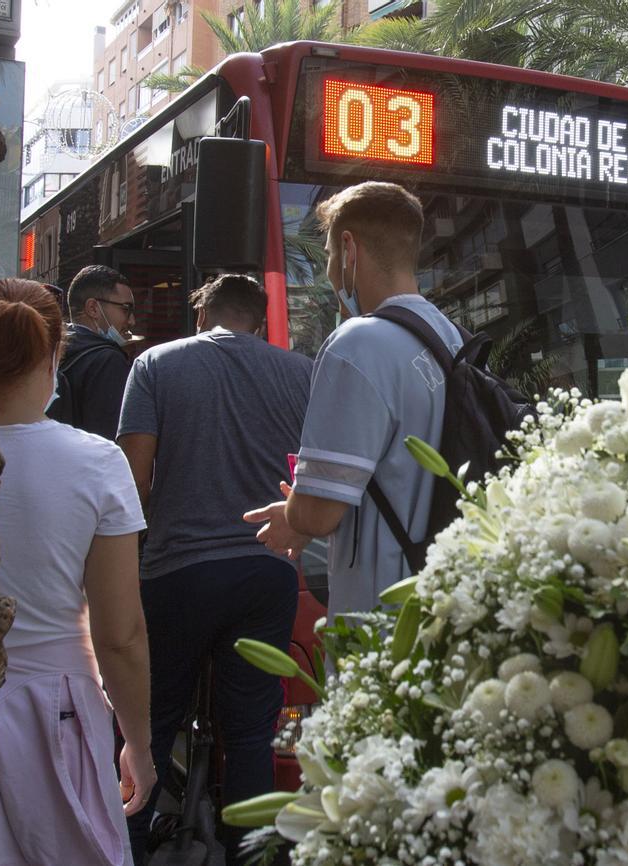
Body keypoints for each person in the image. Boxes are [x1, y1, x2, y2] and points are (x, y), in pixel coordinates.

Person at [117, 274, 312, 864]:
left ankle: (125, 844)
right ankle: (249, 854)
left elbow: (133, 480)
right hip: (268, 570)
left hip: (179, 572)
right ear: (259, 317)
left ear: (202, 315)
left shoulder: (155, 364)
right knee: (252, 729)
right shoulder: (301, 373)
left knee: (148, 724)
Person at [0, 279, 154, 866]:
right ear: (56, 355)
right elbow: (119, 635)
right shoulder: (96, 463)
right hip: (59, 712)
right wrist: (140, 745)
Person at [245, 181, 460, 616]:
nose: (328, 271)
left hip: (379, 618)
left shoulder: (358, 343)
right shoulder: (449, 336)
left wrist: (294, 513)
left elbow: (319, 514)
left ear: (348, 249)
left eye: (326, 256)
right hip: (441, 599)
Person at [47, 264, 137, 440]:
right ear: (93, 308)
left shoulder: (52, 351)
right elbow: (109, 440)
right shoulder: (108, 361)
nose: (132, 320)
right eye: (126, 309)